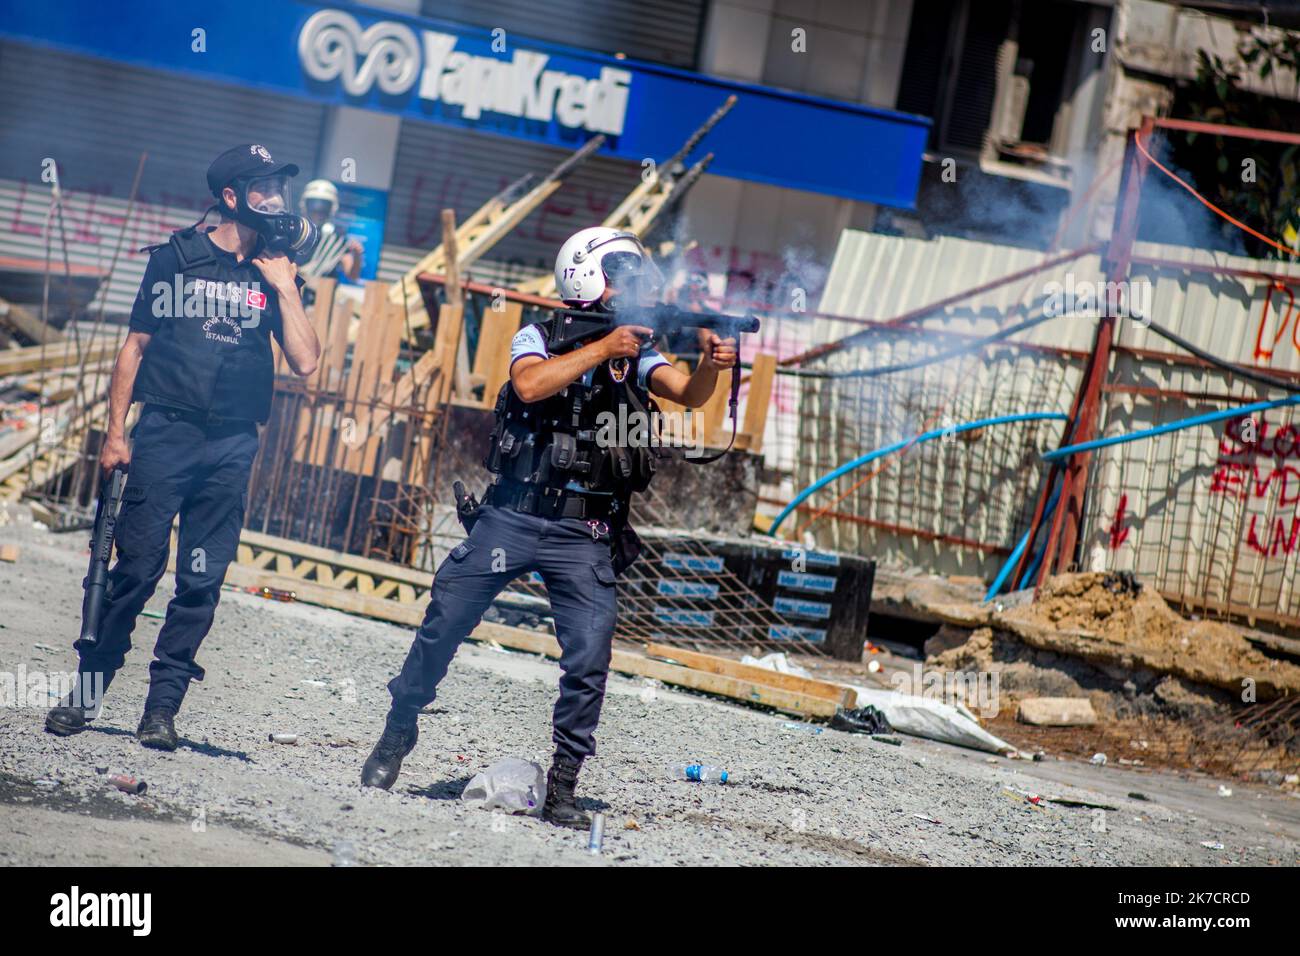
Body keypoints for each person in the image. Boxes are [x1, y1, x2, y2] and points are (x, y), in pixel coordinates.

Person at [360, 227, 737, 828]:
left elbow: (688, 394)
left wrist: (714, 367)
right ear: (583, 274)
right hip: (512, 515)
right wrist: (603, 346)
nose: (629, 287)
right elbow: (529, 383)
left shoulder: (637, 352)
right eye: (618, 272)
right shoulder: (541, 333)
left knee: (588, 657)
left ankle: (563, 784)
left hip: (583, 531)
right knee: (442, 628)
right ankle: (397, 731)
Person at [44, 144, 321, 750]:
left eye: (280, 188)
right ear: (231, 196)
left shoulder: (278, 272)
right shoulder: (176, 257)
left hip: (231, 445)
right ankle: (86, 696)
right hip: (167, 434)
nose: (276, 199)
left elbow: (305, 361)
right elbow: (134, 347)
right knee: (136, 571)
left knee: (201, 581)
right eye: (263, 188)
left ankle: (161, 710)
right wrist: (116, 435)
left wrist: (286, 288)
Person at [297, 178, 363, 283]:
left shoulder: (338, 239)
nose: (318, 211)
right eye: (313, 206)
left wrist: (357, 256)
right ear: (305, 205)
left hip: (321, 295)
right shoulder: (293, 231)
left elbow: (352, 275)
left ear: (332, 209)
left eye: (324, 207)